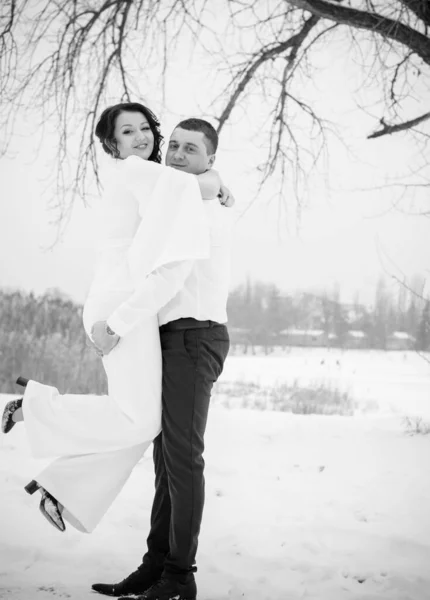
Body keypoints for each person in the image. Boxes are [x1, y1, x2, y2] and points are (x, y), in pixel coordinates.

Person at [1, 103, 232, 537]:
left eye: (145, 127)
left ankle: (62, 486)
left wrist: (214, 185)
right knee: (138, 420)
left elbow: (190, 186)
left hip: (120, 301)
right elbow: (200, 185)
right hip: (120, 306)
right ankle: (34, 408)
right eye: (128, 132)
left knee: (143, 419)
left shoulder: (145, 178)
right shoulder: (137, 173)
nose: (141, 137)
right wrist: (218, 184)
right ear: (112, 144)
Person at [91, 119, 232, 600]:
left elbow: (168, 277)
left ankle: (179, 575)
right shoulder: (181, 199)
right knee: (166, 461)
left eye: (189, 149)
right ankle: (156, 565)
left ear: (208, 160)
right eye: (171, 144)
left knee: (183, 459)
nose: (173, 153)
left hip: (196, 337)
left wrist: (116, 324)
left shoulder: (199, 205)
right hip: (171, 338)